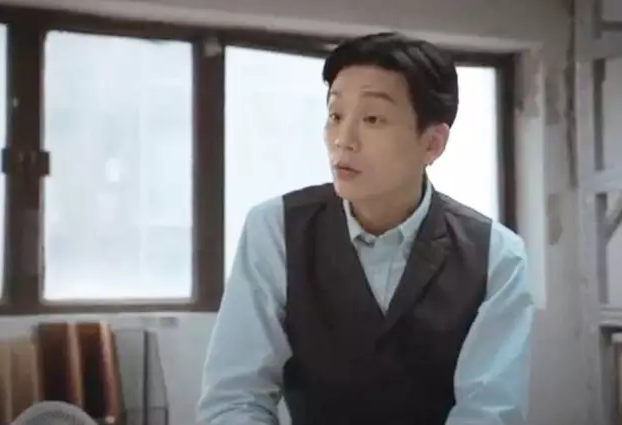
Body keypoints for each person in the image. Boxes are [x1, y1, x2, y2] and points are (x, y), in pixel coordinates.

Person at [197, 32, 534, 425]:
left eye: (372, 119)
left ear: (432, 143)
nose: (343, 140)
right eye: (336, 116)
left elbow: (489, 412)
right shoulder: (276, 230)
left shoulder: (496, 255)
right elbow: (234, 398)